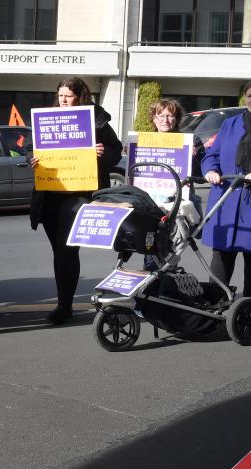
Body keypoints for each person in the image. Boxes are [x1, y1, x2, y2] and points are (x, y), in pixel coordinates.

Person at [30, 77, 122, 324]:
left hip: (79, 194)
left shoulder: (97, 120)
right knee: (59, 252)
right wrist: (35, 160)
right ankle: (65, 302)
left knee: (66, 250)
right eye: (60, 96)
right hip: (50, 196)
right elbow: (38, 149)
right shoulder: (49, 119)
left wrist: (102, 153)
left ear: (80, 96)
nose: (63, 101)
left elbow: (115, 151)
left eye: (68, 96)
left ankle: (64, 306)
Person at [201, 78, 251, 300]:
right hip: (226, 198)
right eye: (249, 95)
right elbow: (212, 154)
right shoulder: (231, 124)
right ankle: (215, 303)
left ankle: (249, 309)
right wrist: (210, 170)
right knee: (221, 255)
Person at [141, 99, 205, 271]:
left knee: (170, 247)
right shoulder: (143, 141)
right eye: (160, 115)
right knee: (151, 247)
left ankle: (163, 283)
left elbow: (201, 176)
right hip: (151, 204)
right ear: (153, 119)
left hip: (177, 206)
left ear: (177, 119)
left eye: (170, 116)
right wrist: (132, 151)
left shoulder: (191, 140)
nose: (165, 120)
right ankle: (153, 286)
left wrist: (194, 158)